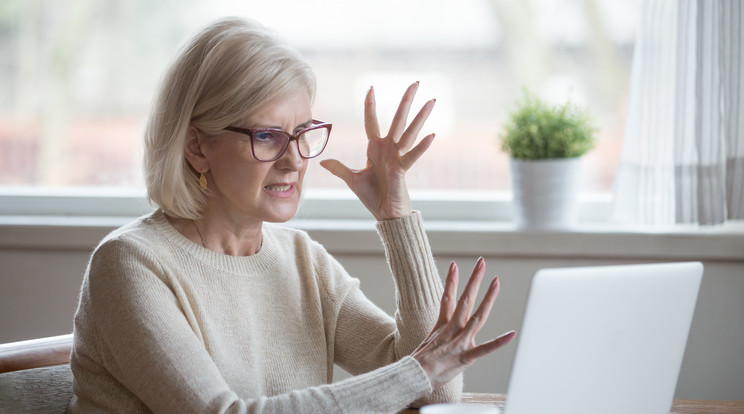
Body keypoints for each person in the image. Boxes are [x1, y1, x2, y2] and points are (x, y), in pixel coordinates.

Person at [68, 17, 515, 413]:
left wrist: (394, 214)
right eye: (267, 135)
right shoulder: (129, 265)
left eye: (302, 133)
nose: (294, 160)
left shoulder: (302, 259)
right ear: (197, 146)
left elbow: (435, 393)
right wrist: (418, 371)